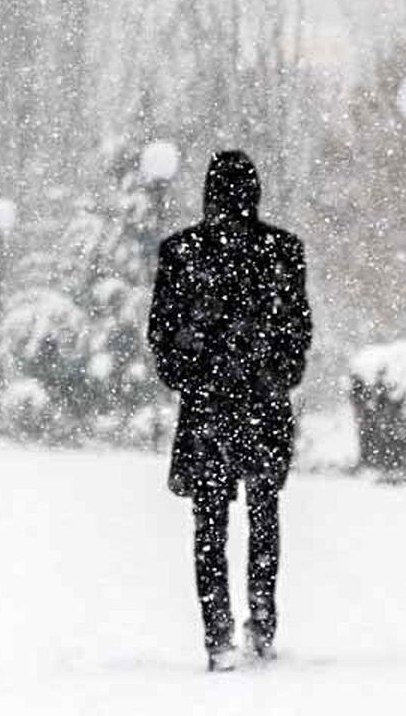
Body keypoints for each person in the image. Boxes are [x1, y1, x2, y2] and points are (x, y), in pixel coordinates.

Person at [147, 150, 313, 672]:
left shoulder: (183, 251)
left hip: (206, 407)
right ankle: (260, 621)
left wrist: (194, 376)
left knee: (210, 522)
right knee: (263, 514)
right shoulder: (282, 250)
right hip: (260, 403)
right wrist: (272, 372)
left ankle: (218, 632)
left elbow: (162, 334)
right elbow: (297, 332)